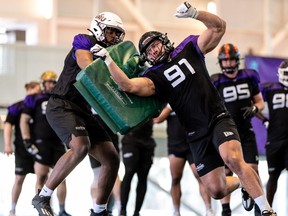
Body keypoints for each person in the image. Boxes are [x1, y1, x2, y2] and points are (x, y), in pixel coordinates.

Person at [92, 2, 277, 215]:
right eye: (147, 50)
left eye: (154, 44)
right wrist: (107, 61)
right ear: (145, 58)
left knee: (233, 159)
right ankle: (243, 184)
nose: (153, 50)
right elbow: (127, 85)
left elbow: (219, 27)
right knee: (216, 189)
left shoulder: (188, 48)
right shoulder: (153, 77)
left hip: (217, 117)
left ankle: (266, 209)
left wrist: (195, 13)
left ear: (163, 41)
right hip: (195, 133)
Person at [30, 12, 125, 216]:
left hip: (83, 111)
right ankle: (43, 196)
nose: (114, 38)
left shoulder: (108, 54)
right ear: (99, 28)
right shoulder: (85, 41)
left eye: (118, 34)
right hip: (62, 104)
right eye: (111, 32)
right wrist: (108, 64)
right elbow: (85, 65)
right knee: (81, 146)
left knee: (111, 158)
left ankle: (99, 211)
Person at [210, 43, 264, 216]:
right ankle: (226, 211)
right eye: (225, 60)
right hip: (226, 131)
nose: (228, 63)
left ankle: (259, 206)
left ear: (237, 60)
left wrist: (255, 109)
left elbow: (260, 102)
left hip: (246, 131)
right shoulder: (216, 80)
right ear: (220, 62)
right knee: (226, 172)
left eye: (231, 59)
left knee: (253, 170)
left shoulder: (249, 76)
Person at [20, 71, 71, 216]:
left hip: (58, 143)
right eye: (48, 82)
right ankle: (43, 210)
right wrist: (27, 140)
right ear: (43, 84)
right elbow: (24, 120)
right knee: (41, 176)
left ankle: (62, 210)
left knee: (61, 177)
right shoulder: (34, 98)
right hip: (41, 143)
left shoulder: (59, 97)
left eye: (53, 82)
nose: (51, 84)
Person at [153, 105, 214, 216]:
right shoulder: (168, 98)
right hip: (175, 145)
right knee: (175, 178)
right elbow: (157, 119)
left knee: (200, 176)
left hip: (193, 144)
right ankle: (176, 211)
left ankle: (208, 209)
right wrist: (171, 106)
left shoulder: (188, 97)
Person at [4, 81, 41, 216]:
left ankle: (40, 208)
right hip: (22, 148)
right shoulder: (18, 106)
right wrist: (7, 144)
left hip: (39, 147)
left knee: (41, 177)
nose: (38, 92)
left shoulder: (41, 106)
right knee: (19, 178)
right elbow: (8, 125)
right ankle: (13, 208)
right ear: (28, 89)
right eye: (35, 89)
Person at [260, 59, 288, 207]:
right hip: (275, 139)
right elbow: (254, 103)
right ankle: (267, 208)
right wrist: (264, 120)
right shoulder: (270, 88)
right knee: (273, 176)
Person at [119, 119, 156, 216]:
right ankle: (122, 211)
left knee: (143, 177)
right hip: (131, 139)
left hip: (147, 140)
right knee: (129, 171)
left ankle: (137, 212)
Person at [89, 111, 121, 214]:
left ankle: (120, 206)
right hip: (94, 131)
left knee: (112, 173)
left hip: (106, 130)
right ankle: (97, 208)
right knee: (100, 174)